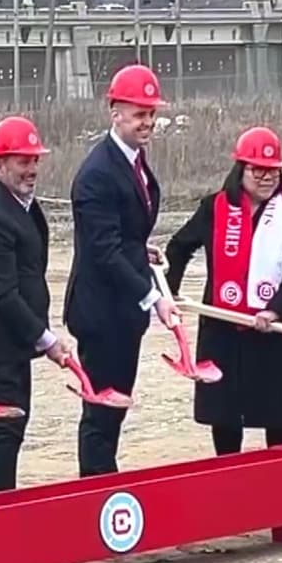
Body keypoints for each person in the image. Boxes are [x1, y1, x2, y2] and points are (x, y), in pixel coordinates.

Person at [163, 127, 282, 455]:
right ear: (241, 169)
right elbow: (178, 248)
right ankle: (228, 480)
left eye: (273, 170)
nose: (266, 178)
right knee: (226, 414)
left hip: (271, 329)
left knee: (277, 414)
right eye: (257, 169)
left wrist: (275, 309)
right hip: (223, 328)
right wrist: (168, 294)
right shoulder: (214, 208)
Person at [62, 64, 180, 477]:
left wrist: (138, 247)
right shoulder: (97, 173)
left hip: (122, 313)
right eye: (138, 113)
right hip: (100, 312)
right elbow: (104, 250)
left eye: (150, 114)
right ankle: (95, 492)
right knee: (101, 410)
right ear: (115, 113)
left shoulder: (134, 162)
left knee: (117, 406)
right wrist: (152, 296)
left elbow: (121, 235)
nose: (147, 122)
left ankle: (104, 482)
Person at [0, 116, 70, 496]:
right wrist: (46, 340)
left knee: (7, 418)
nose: (33, 169)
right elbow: (3, 294)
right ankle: (1, 505)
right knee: (10, 420)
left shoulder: (20, 203)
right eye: (23, 162)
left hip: (13, 337)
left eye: (35, 160)